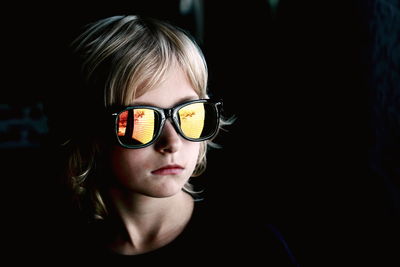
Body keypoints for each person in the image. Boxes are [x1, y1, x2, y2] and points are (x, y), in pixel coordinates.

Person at [45, 14, 300, 266]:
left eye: (189, 113)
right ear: (89, 131)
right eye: (139, 120)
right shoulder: (55, 247)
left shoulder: (250, 247)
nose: (172, 143)